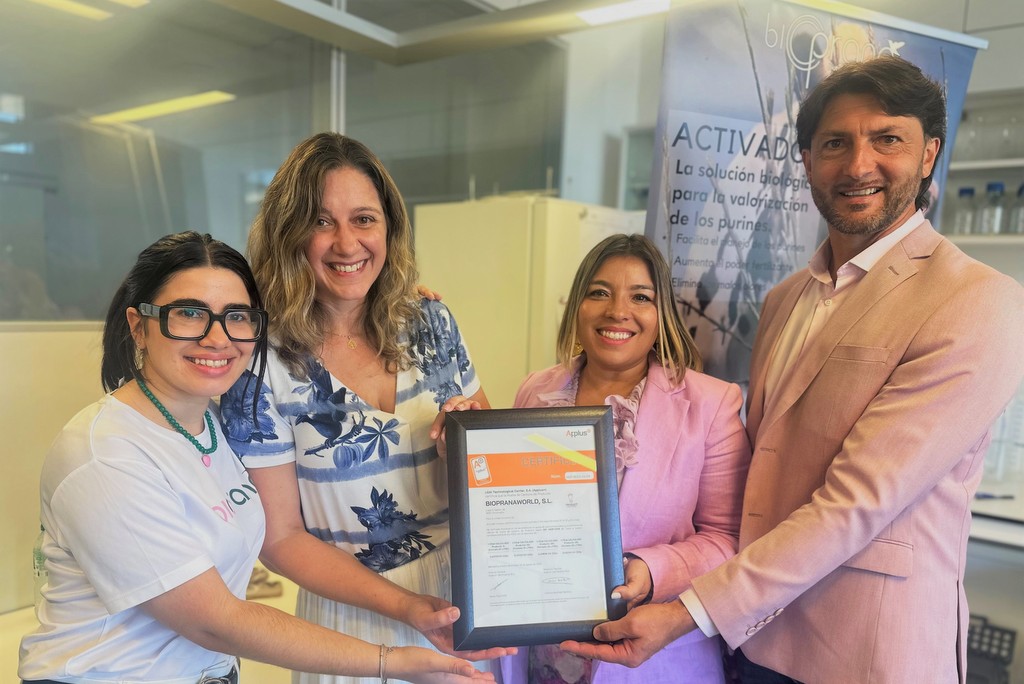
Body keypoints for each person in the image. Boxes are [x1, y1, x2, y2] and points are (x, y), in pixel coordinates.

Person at [560, 56, 1024, 683]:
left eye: (887, 139)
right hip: (753, 644)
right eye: (835, 143)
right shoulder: (784, 300)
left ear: (928, 154)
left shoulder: (976, 300)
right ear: (806, 161)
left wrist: (686, 611)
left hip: (865, 652)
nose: (858, 164)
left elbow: (858, 502)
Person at [18, 231, 494, 684]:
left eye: (237, 316)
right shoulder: (105, 455)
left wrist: (386, 297)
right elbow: (215, 621)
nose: (217, 338)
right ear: (138, 326)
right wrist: (393, 660)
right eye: (189, 313)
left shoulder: (212, 429)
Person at [221, 133, 505, 684]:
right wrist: (405, 607)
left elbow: (492, 472)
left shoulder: (431, 323)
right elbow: (279, 539)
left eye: (364, 219)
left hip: (463, 600)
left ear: (389, 228)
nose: (347, 243)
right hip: (351, 621)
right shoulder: (259, 363)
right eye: (321, 221)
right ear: (289, 233)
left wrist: (464, 446)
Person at [497, 233, 751, 684]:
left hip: (653, 663)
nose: (618, 311)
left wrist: (651, 571)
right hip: (542, 656)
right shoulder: (535, 390)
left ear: (661, 315)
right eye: (599, 293)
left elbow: (728, 541)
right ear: (577, 306)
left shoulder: (711, 405)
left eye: (640, 297)